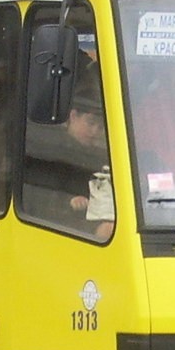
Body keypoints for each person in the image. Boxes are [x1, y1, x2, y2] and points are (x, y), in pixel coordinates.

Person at [23, 63, 113, 239]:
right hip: (60, 227)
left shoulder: (100, 155)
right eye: (90, 123)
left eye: (100, 126)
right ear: (73, 116)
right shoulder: (51, 150)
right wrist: (68, 201)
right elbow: (36, 195)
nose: (95, 131)